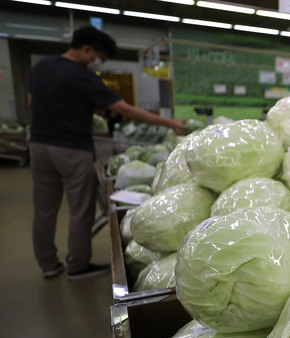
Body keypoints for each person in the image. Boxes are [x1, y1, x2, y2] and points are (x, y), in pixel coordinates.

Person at [29, 26, 185, 280]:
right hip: (71, 148)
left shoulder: (41, 68)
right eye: (98, 57)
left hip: (38, 145)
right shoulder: (82, 76)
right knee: (81, 208)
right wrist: (169, 123)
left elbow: (31, 103)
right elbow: (126, 110)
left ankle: (48, 264)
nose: (97, 62)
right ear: (88, 49)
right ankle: (77, 265)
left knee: (44, 208)